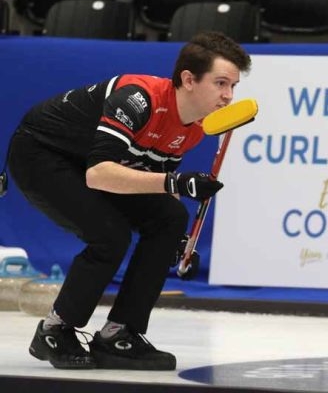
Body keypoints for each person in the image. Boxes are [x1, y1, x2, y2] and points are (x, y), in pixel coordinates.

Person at [7, 31, 251, 370]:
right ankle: (54, 331)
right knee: (110, 235)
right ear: (188, 79)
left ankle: (119, 334)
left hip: (90, 163)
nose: (227, 96)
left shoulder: (193, 127)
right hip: (42, 153)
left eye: (233, 87)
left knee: (170, 219)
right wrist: (175, 182)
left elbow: (148, 181)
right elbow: (98, 175)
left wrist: (176, 244)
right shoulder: (138, 99)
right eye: (221, 83)